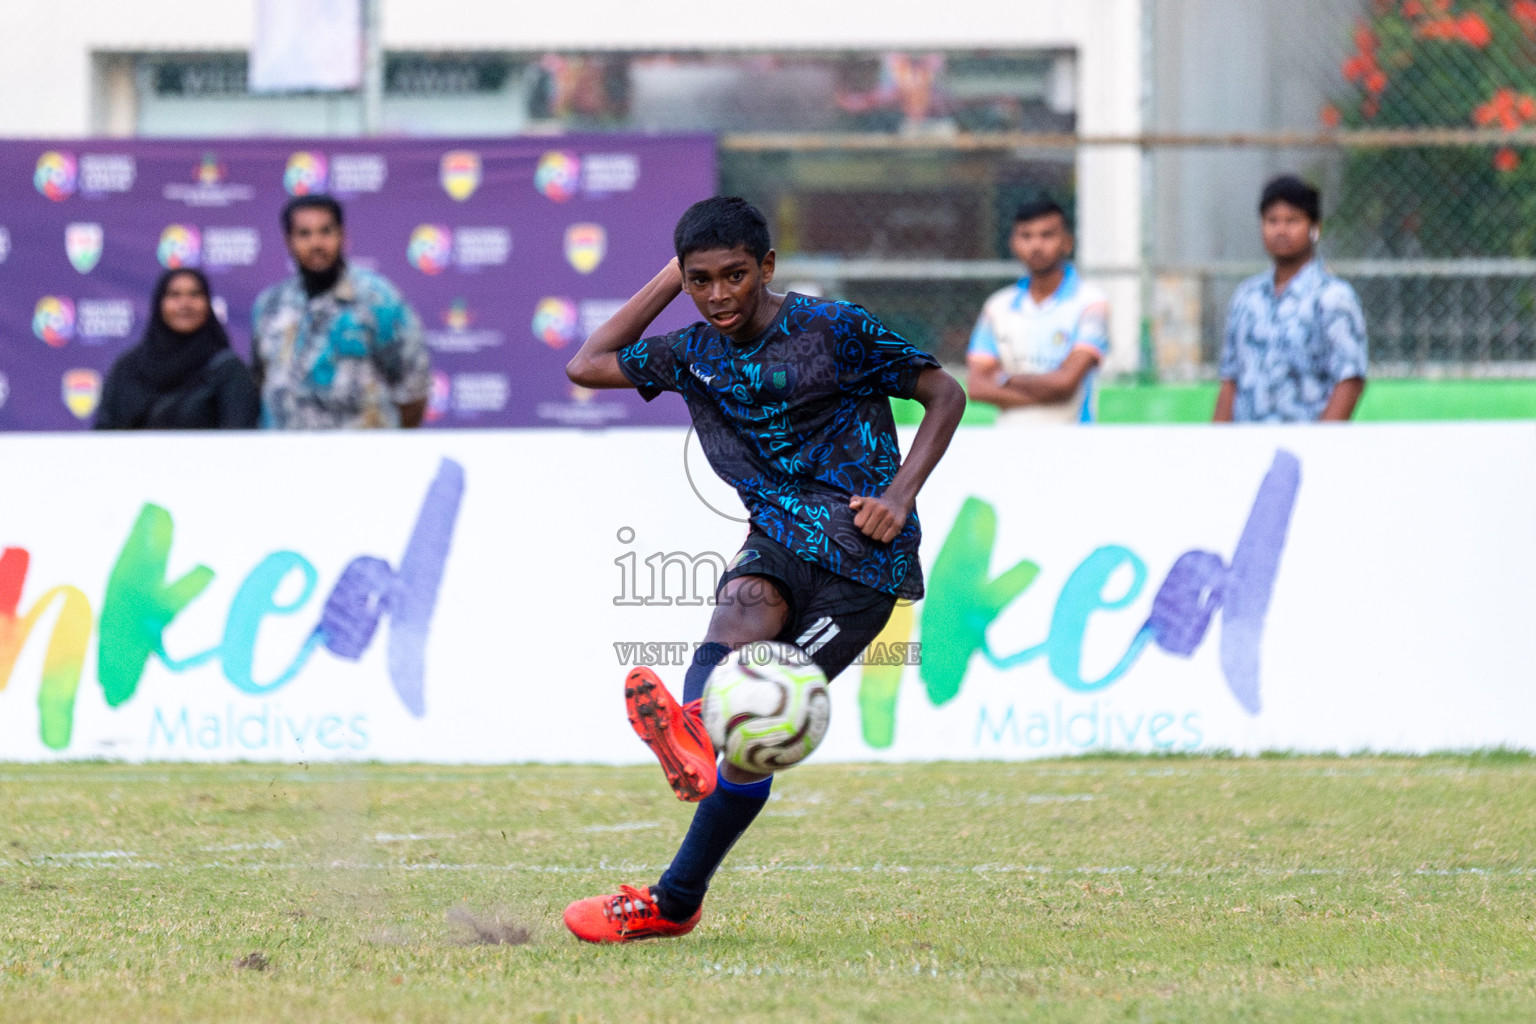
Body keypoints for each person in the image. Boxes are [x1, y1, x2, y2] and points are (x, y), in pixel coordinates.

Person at [561, 196, 966, 943]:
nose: (718, 296)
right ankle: (689, 732)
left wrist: (899, 496)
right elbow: (586, 365)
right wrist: (670, 277)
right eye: (701, 280)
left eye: (736, 276)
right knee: (739, 606)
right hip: (777, 537)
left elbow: (946, 392)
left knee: (757, 729)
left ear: (768, 267)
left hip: (861, 563)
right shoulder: (693, 352)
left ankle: (675, 897)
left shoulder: (833, 329)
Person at [251, 195, 431, 429]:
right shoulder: (270, 305)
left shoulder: (377, 299)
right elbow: (261, 380)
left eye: (325, 231)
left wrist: (390, 446)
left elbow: (413, 387)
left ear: (342, 236)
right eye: (304, 234)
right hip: (286, 458)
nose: (316, 243)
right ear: (289, 241)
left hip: (362, 457)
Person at [1213, 175, 1367, 423]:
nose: (1281, 230)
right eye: (1272, 221)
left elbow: (1349, 380)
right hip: (1247, 449)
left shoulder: (1333, 297)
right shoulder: (1246, 297)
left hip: (1303, 451)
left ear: (1315, 228)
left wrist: (1319, 446)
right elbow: (1230, 380)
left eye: (1292, 220)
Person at [964, 198, 1110, 424]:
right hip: (1011, 442)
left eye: (1047, 235)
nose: (1036, 246)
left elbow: (1066, 385)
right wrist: (1049, 389)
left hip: (1074, 443)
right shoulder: (998, 306)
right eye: (1026, 236)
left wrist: (1003, 379)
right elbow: (976, 388)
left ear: (1067, 242)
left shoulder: (1091, 304)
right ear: (1013, 243)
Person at [94, 267, 259, 430]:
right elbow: (104, 432)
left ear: (207, 304)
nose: (185, 303)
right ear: (159, 303)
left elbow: (239, 439)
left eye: (195, 294)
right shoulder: (128, 367)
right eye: (174, 295)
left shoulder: (227, 370)